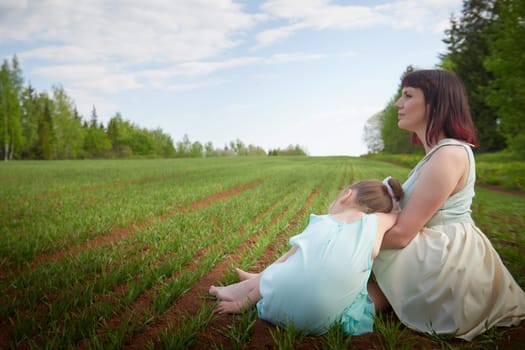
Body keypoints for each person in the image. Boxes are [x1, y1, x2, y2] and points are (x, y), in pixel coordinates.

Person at [370, 69, 525, 341]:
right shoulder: (437, 154)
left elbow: (404, 234)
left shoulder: (449, 155)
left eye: (408, 95)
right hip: (434, 249)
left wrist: (347, 237)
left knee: (348, 256)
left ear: (435, 103)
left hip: (445, 262)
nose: (398, 104)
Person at [209, 178, 404, 336]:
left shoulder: (320, 222)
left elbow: (282, 266)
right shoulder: (377, 223)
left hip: (273, 308)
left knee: (290, 261)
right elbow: (397, 214)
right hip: (320, 323)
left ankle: (249, 288)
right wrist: (393, 200)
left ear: (347, 195)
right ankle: (253, 281)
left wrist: (241, 305)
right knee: (379, 290)